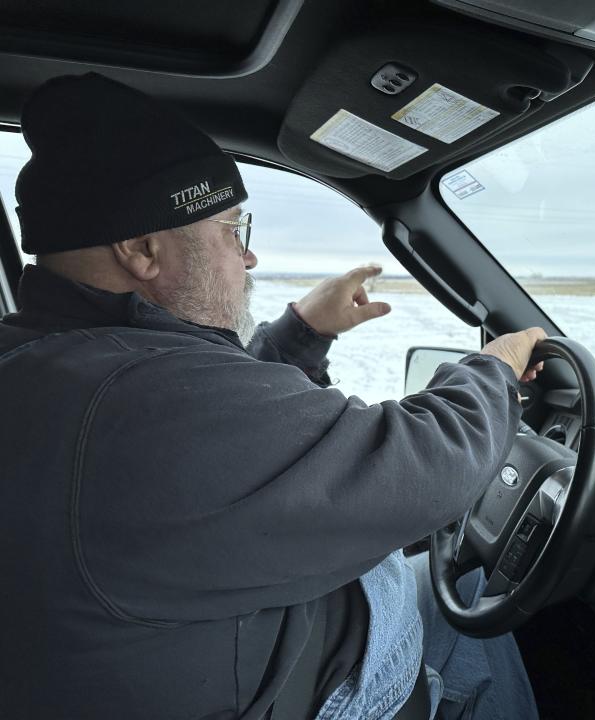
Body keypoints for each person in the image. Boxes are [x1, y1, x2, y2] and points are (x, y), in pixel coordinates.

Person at [0, 72, 544, 720]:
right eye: (232, 229)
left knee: (459, 589)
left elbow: (211, 453)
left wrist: (301, 334)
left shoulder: (66, 365)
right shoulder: (133, 399)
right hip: (300, 690)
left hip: (228, 642)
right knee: (470, 609)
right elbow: (427, 465)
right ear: (144, 249)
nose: (248, 259)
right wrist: (493, 370)